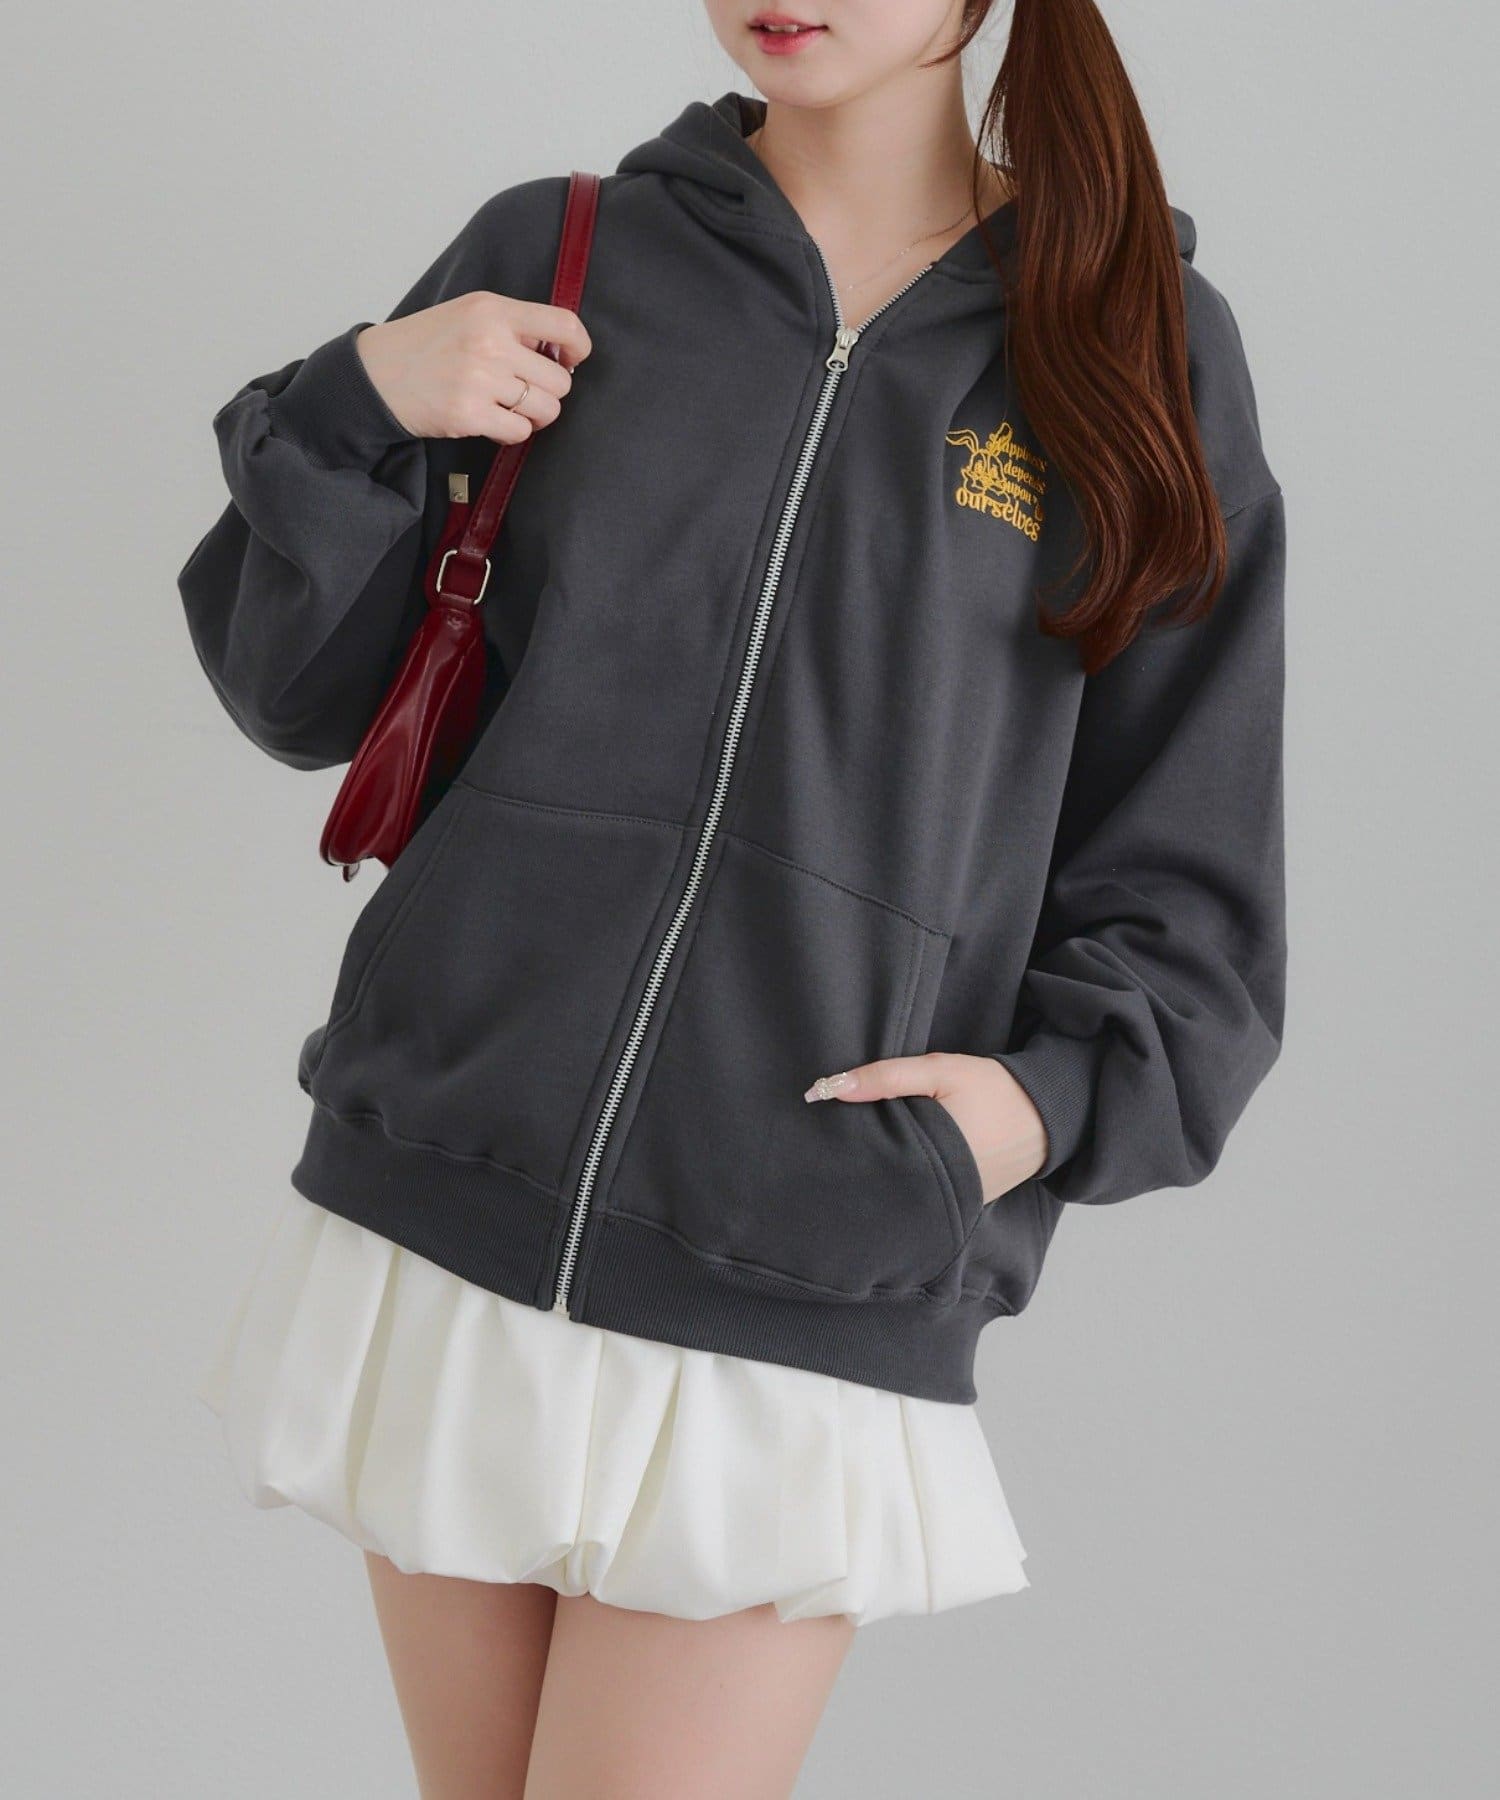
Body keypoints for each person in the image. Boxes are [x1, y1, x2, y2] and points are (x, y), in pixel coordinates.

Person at [180, 2, 1287, 1793]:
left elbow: (1192, 858)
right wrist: (358, 400)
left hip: (800, 1251)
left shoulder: (1130, 348)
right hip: (449, 1189)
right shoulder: (563, 251)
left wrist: (1029, 1114)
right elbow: (293, 692)